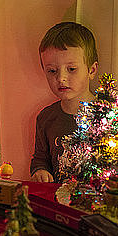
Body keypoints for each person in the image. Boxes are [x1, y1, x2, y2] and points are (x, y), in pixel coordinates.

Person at [30, 22, 99, 182]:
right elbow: (40, 159)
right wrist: (40, 171)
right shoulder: (46, 118)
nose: (61, 78)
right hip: (59, 202)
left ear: (92, 70)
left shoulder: (109, 117)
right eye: (52, 71)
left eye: (72, 69)